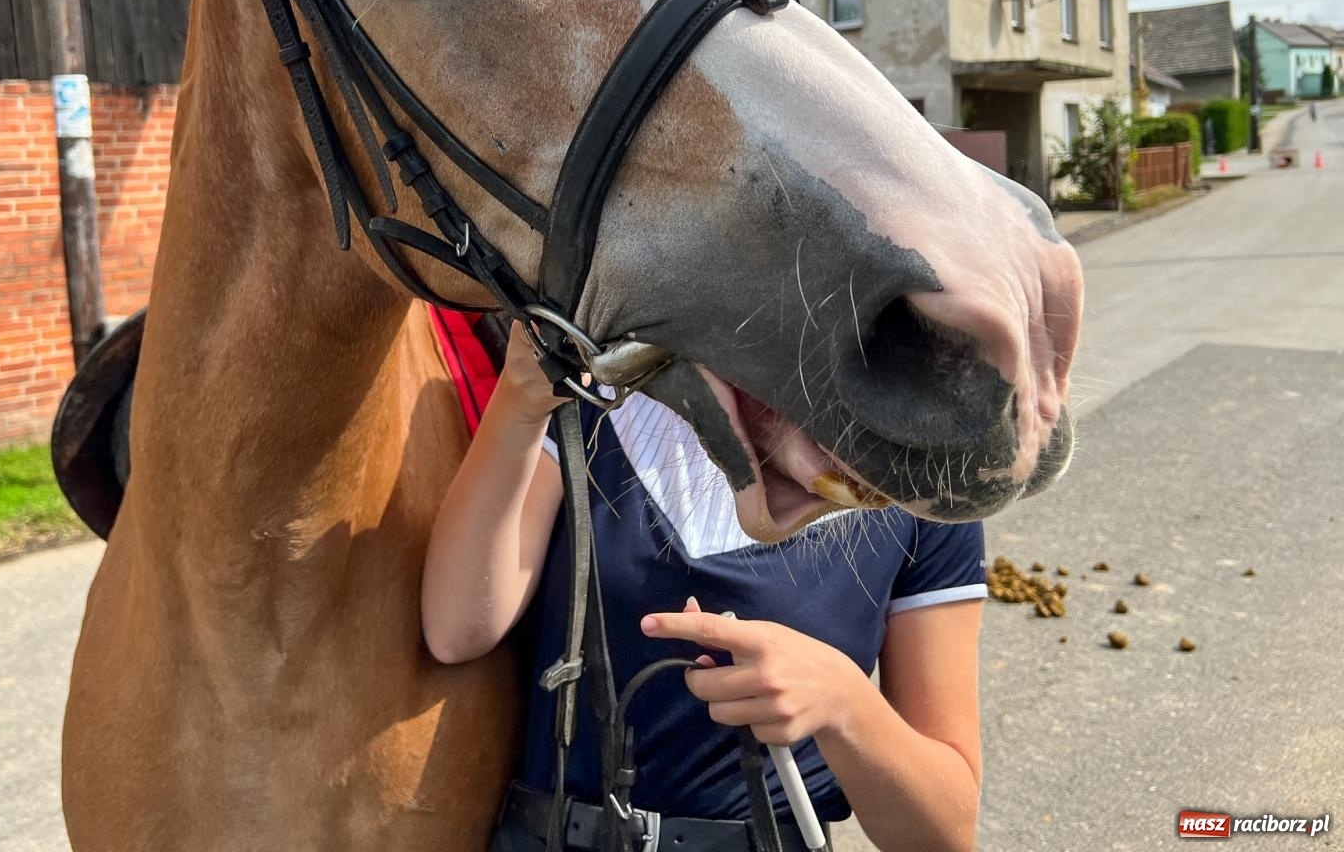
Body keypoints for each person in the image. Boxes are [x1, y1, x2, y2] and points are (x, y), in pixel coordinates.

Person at [424, 319, 990, 852]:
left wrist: (844, 703)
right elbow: (456, 631)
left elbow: (943, 832)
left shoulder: (925, 481)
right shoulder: (594, 398)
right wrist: (521, 401)